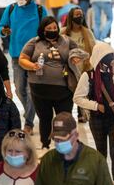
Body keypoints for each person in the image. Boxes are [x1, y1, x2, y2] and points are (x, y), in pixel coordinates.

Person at [73, 42, 114, 185]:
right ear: (98, 58)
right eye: (107, 57)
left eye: (112, 56)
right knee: (101, 152)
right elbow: (77, 98)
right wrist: (96, 106)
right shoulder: (88, 76)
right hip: (97, 119)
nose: (111, 60)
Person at [18, 16, 79, 149]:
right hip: (40, 90)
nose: (52, 30)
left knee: (64, 119)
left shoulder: (66, 41)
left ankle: (66, 144)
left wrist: (75, 57)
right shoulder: (34, 42)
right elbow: (22, 59)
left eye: (54, 28)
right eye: (48, 28)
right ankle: (45, 145)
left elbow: (78, 51)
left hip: (64, 89)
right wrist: (33, 66)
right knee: (45, 119)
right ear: (42, 30)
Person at [0, 0, 48, 135]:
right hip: (16, 55)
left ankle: (28, 123)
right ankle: (31, 113)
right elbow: (1, 26)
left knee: (30, 89)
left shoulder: (39, 10)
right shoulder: (11, 8)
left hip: (35, 56)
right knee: (20, 89)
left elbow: (48, 28)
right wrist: (4, 31)